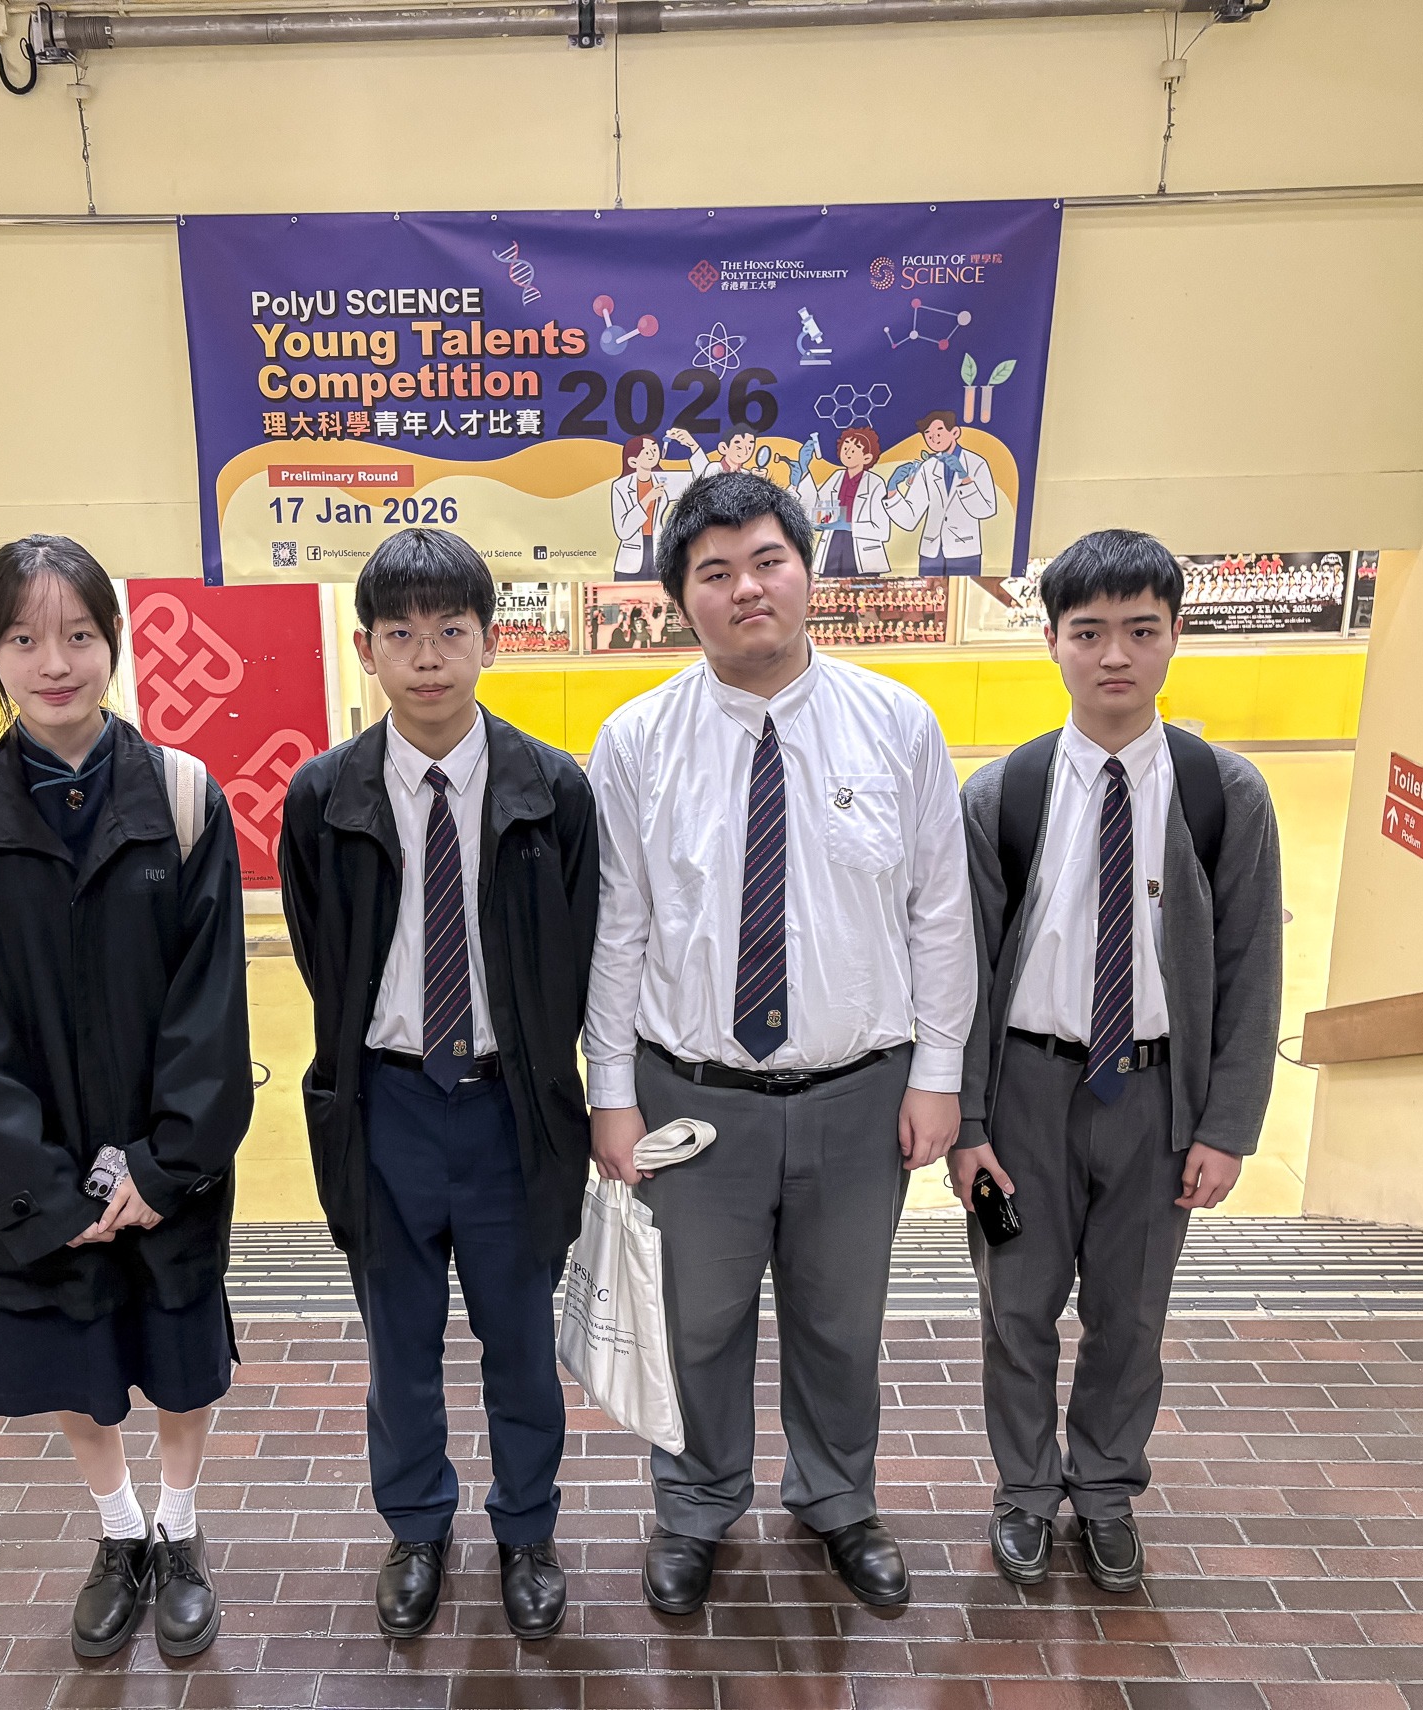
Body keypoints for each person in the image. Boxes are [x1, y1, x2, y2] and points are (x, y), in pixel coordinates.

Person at [583, 472, 978, 1616]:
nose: (747, 588)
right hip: (690, 1096)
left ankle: (838, 1498)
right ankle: (695, 1505)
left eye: (768, 560)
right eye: (715, 572)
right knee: (693, 1325)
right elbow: (618, 929)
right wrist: (611, 1092)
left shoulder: (897, 723)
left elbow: (939, 915)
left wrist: (938, 1076)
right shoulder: (636, 741)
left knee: (841, 1323)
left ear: (808, 570)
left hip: (861, 1093)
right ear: (680, 600)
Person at [0, 535, 253, 1663]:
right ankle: (118, 1534)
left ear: (114, 643)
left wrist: (165, 1167)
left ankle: (181, 1529)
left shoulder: (185, 798)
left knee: (179, 1353)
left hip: (163, 1163)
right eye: (24, 638)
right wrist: (45, 1192)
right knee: (75, 1358)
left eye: (77, 635)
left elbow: (212, 1006)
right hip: (39, 1173)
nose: (53, 662)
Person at [279, 528, 600, 1642]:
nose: (428, 657)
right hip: (388, 1105)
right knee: (399, 1347)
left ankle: (527, 1530)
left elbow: (581, 950)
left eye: (451, 630)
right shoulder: (324, 796)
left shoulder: (552, 789)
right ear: (365, 647)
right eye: (402, 633)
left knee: (521, 1345)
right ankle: (417, 1528)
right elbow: (322, 954)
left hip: (513, 1110)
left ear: (489, 641)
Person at [954, 528, 1283, 1593]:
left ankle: (1103, 1489)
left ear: (1176, 635)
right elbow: (962, 976)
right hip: (1026, 1090)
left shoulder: (1224, 795)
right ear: (1050, 640)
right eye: (1088, 631)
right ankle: (1023, 1489)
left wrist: (1226, 1126)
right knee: (1016, 1310)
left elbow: (1251, 969)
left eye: (1142, 630)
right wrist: (967, 1124)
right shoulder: (1001, 795)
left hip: (1154, 1096)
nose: (1115, 656)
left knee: (1130, 1317)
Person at [886, 410, 1013, 606]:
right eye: (928, 434)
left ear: (955, 432)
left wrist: (965, 478)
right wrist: (892, 490)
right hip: (931, 551)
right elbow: (910, 517)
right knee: (931, 605)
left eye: (938, 431)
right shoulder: (928, 467)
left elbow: (986, 510)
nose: (933, 438)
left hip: (965, 550)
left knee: (967, 603)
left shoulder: (976, 463)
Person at [789, 426, 896, 577]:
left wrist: (849, 525)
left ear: (867, 458)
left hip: (862, 552)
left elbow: (882, 530)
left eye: (854, 450)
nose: (847, 452)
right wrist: (805, 471)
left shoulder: (875, 483)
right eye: (845, 447)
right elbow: (815, 508)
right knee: (829, 586)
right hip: (832, 546)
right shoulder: (836, 477)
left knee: (864, 588)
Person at [611, 427, 713, 579]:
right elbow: (623, 531)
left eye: (654, 449)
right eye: (647, 452)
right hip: (630, 561)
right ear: (633, 461)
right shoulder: (621, 486)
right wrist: (647, 499)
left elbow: (704, 480)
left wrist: (692, 445)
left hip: (658, 554)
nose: (653, 454)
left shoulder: (663, 480)